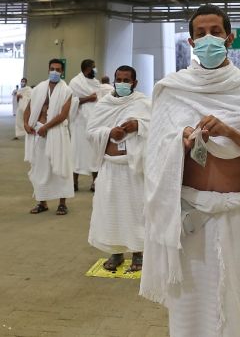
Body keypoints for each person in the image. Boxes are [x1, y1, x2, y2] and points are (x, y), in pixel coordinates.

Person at [140, 5, 240, 337]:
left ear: (230, 38)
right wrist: (178, 144)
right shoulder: (172, 89)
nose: (208, 38)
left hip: (239, 219)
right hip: (190, 220)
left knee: (235, 307)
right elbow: (153, 159)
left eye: (215, 32)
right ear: (190, 41)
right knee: (190, 312)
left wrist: (232, 133)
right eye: (201, 33)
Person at [87, 65, 150, 272]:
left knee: (135, 211)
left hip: (133, 169)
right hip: (111, 168)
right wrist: (109, 132)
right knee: (111, 211)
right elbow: (91, 132)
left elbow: (156, 127)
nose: (122, 84)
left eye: (126, 80)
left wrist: (138, 126)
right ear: (114, 80)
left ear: (135, 83)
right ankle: (116, 253)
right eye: (119, 80)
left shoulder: (143, 103)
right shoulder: (104, 104)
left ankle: (138, 253)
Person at [23, 59, 74, 215]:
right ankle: (42, 202)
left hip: (57, 132)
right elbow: (28, 109)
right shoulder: (39, 88)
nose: (55, 72)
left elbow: (63, 114)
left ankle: (62, 203)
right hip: (38, 132)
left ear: (62, 72)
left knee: (60, 166)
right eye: (52, 69)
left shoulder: (67, 91)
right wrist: (26, 123)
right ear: (48, 69)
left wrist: (46, 127)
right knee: (39, 168)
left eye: (58, 69)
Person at [69, 59, 101, 191]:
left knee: (95, 152)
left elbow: (100, 99)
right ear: (87, 69)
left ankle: (95, 182)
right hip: (80, 123)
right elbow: (71, 101)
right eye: (94, 67)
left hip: (94, 123)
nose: (95, 70)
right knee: (76, 153)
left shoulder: (96, 83)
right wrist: (88, 98)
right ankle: (74, 182)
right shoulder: (75, 82)